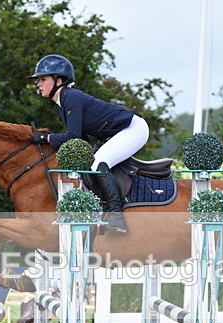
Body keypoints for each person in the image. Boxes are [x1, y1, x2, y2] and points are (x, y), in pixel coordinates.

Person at [28, 54, 150, 234]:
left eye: (42, 79)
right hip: (120, 131)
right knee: (91, 162)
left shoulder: (71, 97)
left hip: (133, 129)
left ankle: (116, 216)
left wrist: (46, 139)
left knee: (97, 163)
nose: (38, 84)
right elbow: (81, 141)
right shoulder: (63, 104)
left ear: (59, 80)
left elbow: (73, 137)